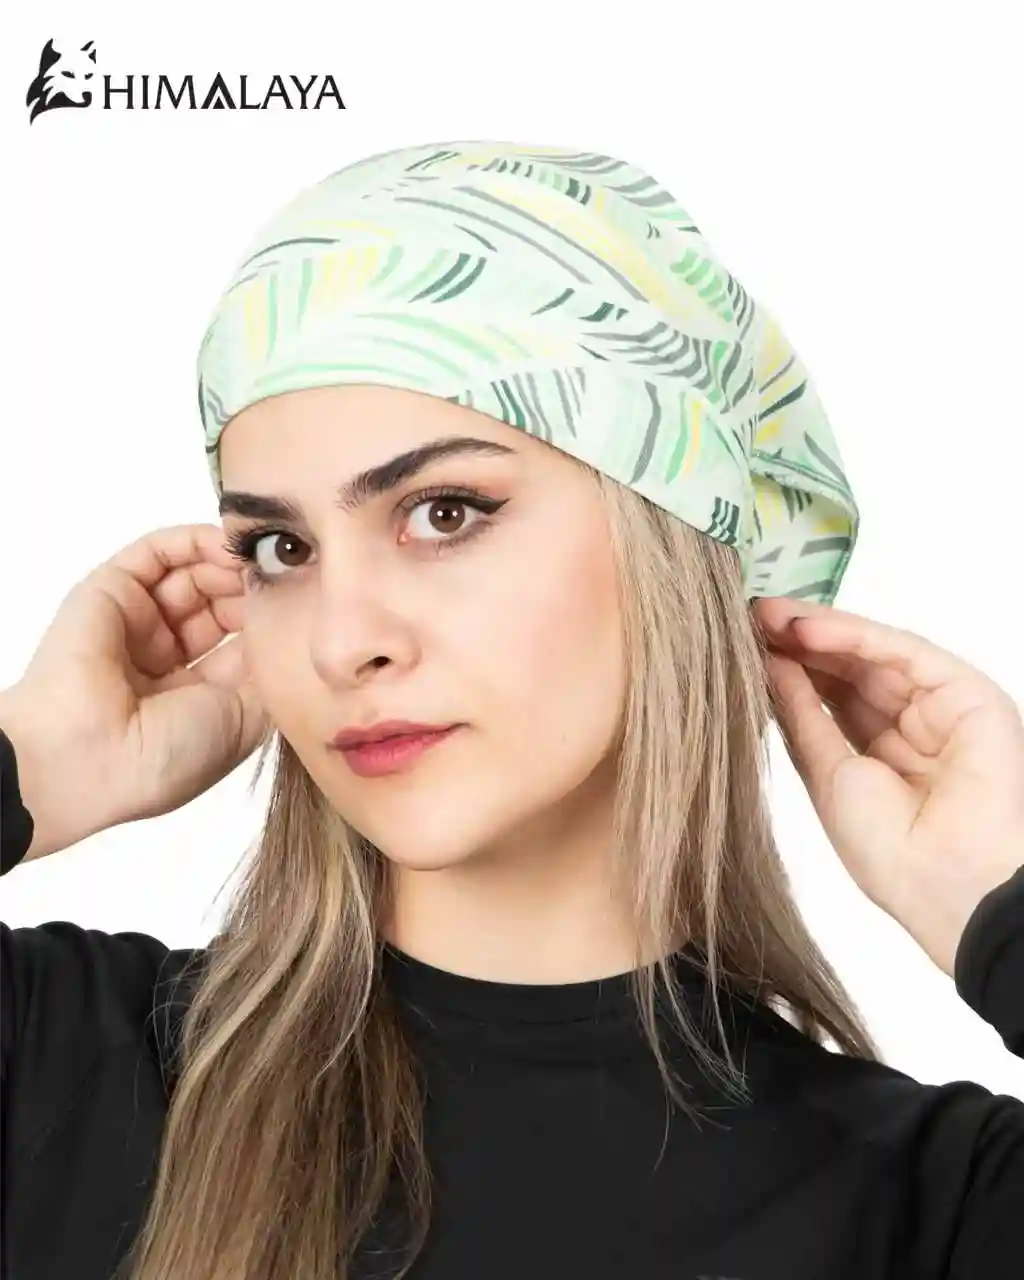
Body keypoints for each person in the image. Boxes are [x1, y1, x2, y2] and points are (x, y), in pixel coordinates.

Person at [1, 139, 1022, 1280]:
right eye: (281, 548)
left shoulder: (935, 1209)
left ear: (674, 540)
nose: (341, 640)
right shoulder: (60, 1063)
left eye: (444, 513)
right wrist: (35, 763)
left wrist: (999, 905)